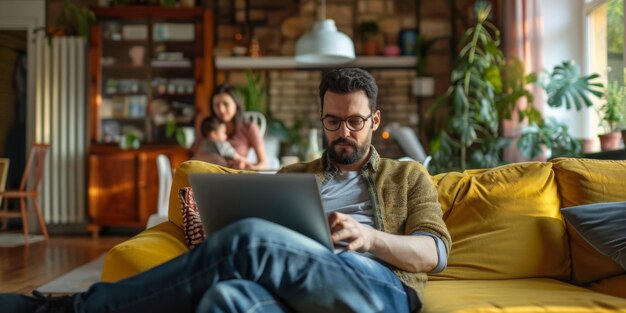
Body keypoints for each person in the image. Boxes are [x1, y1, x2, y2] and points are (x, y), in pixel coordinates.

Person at [1, 68, 450, 313]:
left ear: (374, 120)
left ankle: (70, 311)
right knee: (224, 300)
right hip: (295, 287)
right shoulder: (297, 172)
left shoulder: (407, 175)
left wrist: (368, 237)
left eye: (355, 121)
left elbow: (435, 251)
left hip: (378, 290)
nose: (343, 132)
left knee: (252, 240)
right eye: (333, 121)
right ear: (321, 119)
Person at [193, 84, 268, 170]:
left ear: (236, 103)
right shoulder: (209, 127)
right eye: (216, 105)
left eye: (226, 104)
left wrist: (250, 168)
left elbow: (263, 163)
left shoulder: (249, 127)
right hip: (208, 175)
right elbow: (196, 157)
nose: (221, 109)